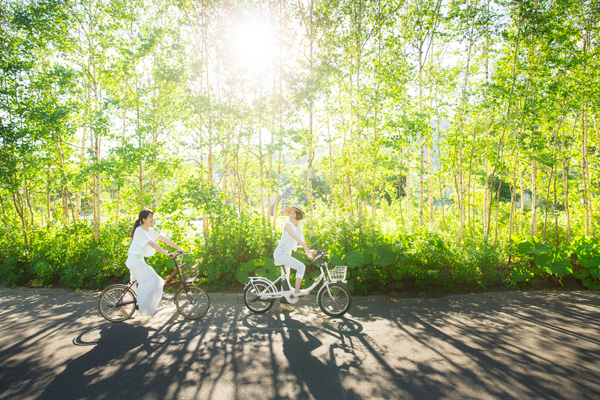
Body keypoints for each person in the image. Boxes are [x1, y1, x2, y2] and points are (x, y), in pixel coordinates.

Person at [126, 209, 184, 317]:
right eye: (150, 217)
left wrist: (178, 247)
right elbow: (152, 244)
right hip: (135, 261)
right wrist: (167, 254)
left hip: (138, 260)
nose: (152, 219)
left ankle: (123, 308)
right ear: (143, 219)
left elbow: (164, 239)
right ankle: (149, 308)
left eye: (152, 217)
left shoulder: (150, 230)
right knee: (155, 280)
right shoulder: (139, 230)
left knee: (132, 286)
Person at [273, 205, 316, 311]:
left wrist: (308, 252)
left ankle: (284, 303)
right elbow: (296, 238)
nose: (291, 215)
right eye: (290, 213)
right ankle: (297, 290)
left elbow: (302, 239)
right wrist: (308, 250)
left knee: (285, 279)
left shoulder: (299, 224)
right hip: (281, 253)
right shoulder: (287, 225)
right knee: (301, 266)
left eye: (294, 213)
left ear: (298, 215)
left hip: (287, 253)